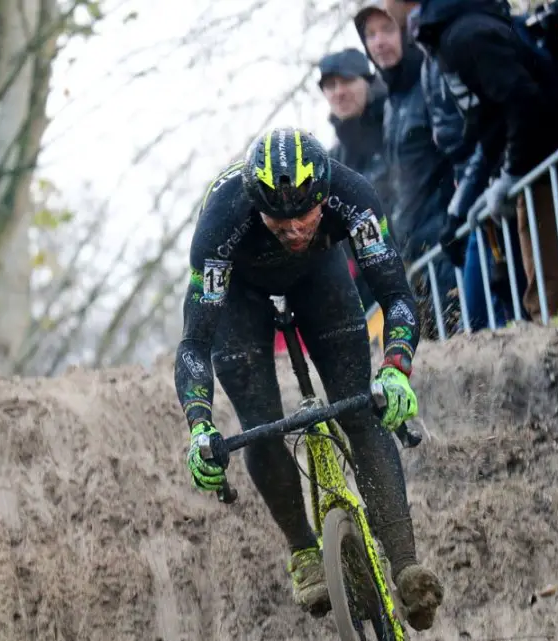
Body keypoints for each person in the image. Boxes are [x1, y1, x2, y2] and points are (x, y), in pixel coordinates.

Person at [176, 126, 444, 631]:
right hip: (241, 299)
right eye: (279, 220)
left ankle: (406, 565)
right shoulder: (221, 220)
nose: (296, 228)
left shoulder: (352, 196)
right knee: (262, 422)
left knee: (362, 407)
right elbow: (193, 344)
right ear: (255, 206)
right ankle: (302, 548)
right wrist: (199, 426)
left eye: (306, 214)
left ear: (325, 195)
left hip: (320, 279)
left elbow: (398, 296)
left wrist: (396, 369)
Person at [409, 0, 558, 321]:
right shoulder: (464, 29)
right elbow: (493, 121)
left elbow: (521, 101)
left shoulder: (467, 35)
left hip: (550, 172)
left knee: (548, 300)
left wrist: (511, 174)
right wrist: (465, 203)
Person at [355, 1, 459, 339]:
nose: (379, 42)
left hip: (449, 244)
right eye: (370, 35)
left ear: (405, 28)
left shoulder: (432, 78)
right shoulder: (391, 103)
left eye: (386, 29)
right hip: (414, 255)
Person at [317, 48, 393, 314]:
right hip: (370, 285)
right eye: (330, 85)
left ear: (368, 81)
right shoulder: (329, 162)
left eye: (347, 81)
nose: (338, 92)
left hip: (423, 257)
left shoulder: (396, 122)